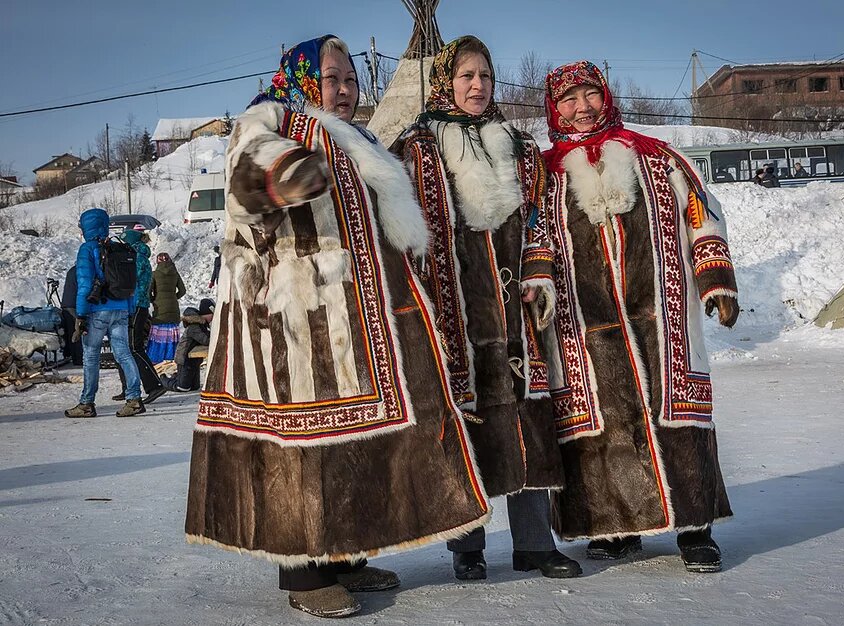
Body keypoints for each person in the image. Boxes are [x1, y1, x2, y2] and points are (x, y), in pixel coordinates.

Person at [185, 35, 490, 619]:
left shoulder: (360, 138)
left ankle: (347, 555)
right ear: (303, 79)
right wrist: (287, 175)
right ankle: (303, 571)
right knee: (302, 440)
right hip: (294, 316)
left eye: (350, 79)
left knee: (355, 439)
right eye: (332, 78)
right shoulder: (272, 117)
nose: (344, 89)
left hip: (356, 319)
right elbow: (248, 176)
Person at [392, 35, 580, 582]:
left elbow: (543, 215)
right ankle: (467, 548)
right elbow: (405, 234)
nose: (478, 87)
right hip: (455, 314)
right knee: (467, 425)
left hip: (516, 312)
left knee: (527, 416)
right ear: (446, 81)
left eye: (487, 77)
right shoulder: (417, 148)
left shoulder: (518, 147)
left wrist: (540, 268)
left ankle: (534, 544)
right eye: (467, 76)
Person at [541, 61, 739, 573]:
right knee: (603, 426)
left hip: (663, 316)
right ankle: (615, 528)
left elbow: (701, 210)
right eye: (569, 100)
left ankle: (696, 529)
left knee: (677, 415)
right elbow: (531, 241)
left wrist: (714, 277)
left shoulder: (654, 157)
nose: (581, 108)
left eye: (590, 96)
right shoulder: (541, 175)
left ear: (605, 97)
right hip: (583, 326)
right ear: (554, 109)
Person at [64, 208, 146, 418]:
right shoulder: (118, 248)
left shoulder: (87, 249)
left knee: (91, 356)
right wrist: (129, 311)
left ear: (86, 227)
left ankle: (86, 403)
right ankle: (134, 399)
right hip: (120, 310)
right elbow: (131, 285)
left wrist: (80, 316)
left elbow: (84, 285)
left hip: (96, 312)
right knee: (124, 355)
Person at [114, 227, 166, 404]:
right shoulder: (136, 256)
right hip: (134, 306)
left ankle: (154, 386)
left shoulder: (137, 258)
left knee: (134, 347)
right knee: (126, 347)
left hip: (137, 306)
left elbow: (129, 281)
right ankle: (129, 387)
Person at [161, 298, 213, 392]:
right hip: (184, 360)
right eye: (212, 314)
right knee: (183, 387)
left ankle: (177, 376)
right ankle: (162, 380)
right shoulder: (194, 326)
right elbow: (206, 340)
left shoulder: (202, 325)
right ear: (206, 313)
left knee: (194, 387)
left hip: (193, 360)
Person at [147, 252, 185, 363]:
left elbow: (148, 292)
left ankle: (156, 357)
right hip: (173, 308)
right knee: (171, 334)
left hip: (160, 309)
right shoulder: (175, 274)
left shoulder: (154, 274)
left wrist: (154, 300)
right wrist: (174, 297)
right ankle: (171, 357)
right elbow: (183, 291)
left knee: (159, 333)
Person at [60, 265, 83, 366]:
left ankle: (69, 354)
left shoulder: (72, 270)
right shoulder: (82, 271)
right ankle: (79, 359)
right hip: (74, 305)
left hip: (66, 304)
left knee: (70, 332)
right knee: (77, 332)